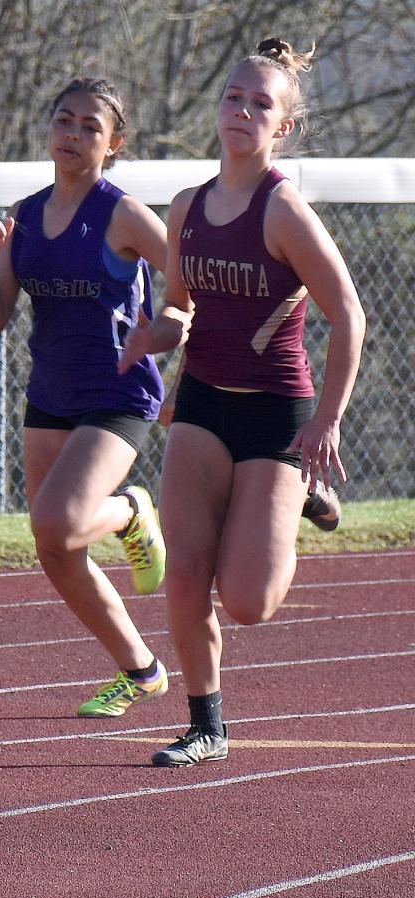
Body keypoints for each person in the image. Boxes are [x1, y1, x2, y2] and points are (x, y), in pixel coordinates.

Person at [119, 38, 365, 767]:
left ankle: (300, 493)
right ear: (218, 108)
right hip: (201, 404)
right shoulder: (187, 206)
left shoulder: (282, 210)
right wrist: (148, 341)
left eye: (262, 105)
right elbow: (177, 309)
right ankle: (206, 725)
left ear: (280, 128)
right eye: (234, 98)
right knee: (187, 576)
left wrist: (327, 419)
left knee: (251, 599)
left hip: (274, 413)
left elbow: (348, 312)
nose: (243, 112)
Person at [0, 77, 187, 719]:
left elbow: (184, 279)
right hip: (51, 394)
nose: (72, 134)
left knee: (58, 522)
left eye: (90, 126)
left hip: (118, 394)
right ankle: (141, 670)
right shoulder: (26, 216)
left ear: (112, 143)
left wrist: (166, 324)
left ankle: (127, 510)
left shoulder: (121, 213)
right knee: (54, 550)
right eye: (64, 120)